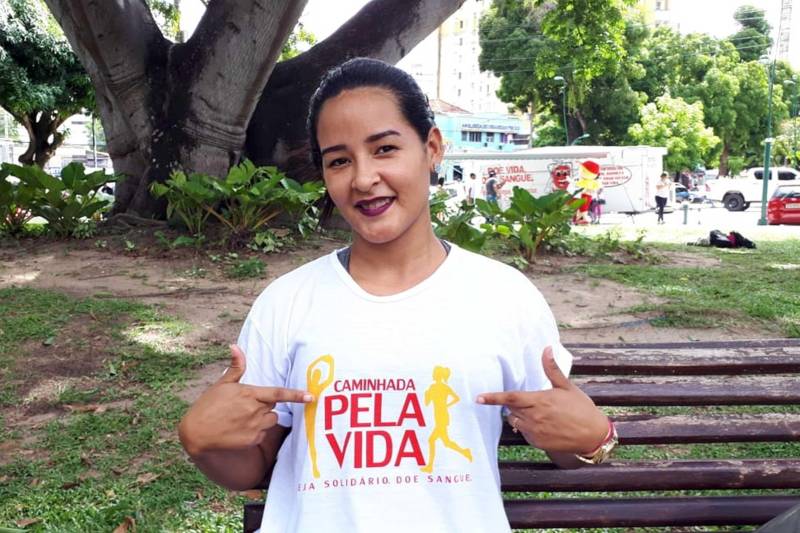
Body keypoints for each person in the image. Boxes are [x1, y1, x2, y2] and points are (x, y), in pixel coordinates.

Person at [178, 58, 614, 533]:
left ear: (431, 148)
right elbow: (249, 468)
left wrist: (594, 438)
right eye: (339, 160)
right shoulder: (287, 302)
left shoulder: (504, 297)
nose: (363, 178)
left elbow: (564, 445)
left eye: (384, 148)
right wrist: (204, 443)